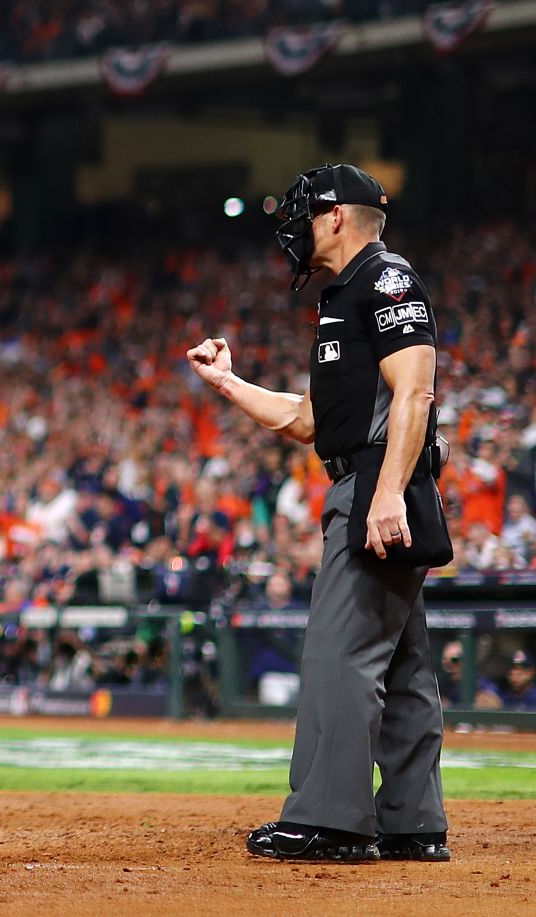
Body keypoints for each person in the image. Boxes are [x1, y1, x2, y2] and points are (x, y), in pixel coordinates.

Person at [187, 164, 449, 863]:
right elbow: (308, 420)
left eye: (308, 213)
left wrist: (388, 490)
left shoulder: (383, 279)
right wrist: (229, 384)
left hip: (375, 482)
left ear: (338, 217)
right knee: (399, 664)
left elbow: (415, 394)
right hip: (372, 473)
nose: (296, 227)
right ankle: (413, 823)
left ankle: (329, 819)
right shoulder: (345, 293)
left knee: (340, 654)